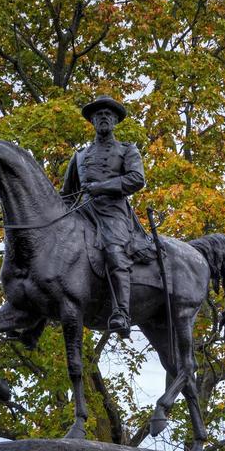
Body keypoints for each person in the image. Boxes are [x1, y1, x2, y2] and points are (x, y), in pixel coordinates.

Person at [60, 96, 148, 335]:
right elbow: (67, 194)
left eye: (108, 115)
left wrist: (101, 187)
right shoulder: (79, 156)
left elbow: (136, 180)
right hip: (83, 212)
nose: (103, 118)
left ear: (116, 121)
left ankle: (121, 312)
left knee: (114, 251)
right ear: (92, 121)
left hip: (112, 212)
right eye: (99, 115)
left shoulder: (127, 150)